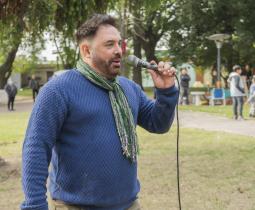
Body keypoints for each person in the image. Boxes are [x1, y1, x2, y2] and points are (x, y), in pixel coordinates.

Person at [21, 14, 178, 210]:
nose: (119, 51)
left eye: (120, 44)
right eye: (109, 44)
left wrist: (166, 91)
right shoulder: (58, 90)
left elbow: (159, 124)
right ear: (86, 51)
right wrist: (34, 206)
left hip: (129, 205)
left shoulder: (128, 88)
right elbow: (35, 149)